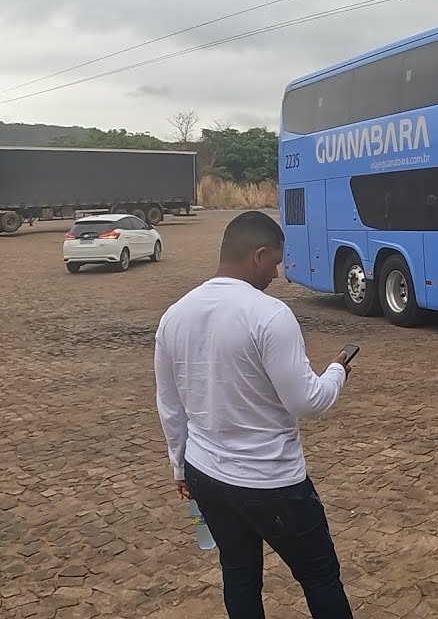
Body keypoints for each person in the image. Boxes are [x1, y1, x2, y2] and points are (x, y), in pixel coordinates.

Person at [154, 211, 355, 619]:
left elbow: (170, 406)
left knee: (240, 575)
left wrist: (179, 469)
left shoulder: (174, 315)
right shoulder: (269, 315)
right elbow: (307, 401)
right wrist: (338, 371)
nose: (277, 274)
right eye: (275, 263)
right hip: (272, 482)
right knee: (319, 577)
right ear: (258, 255)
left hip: (206, 475)